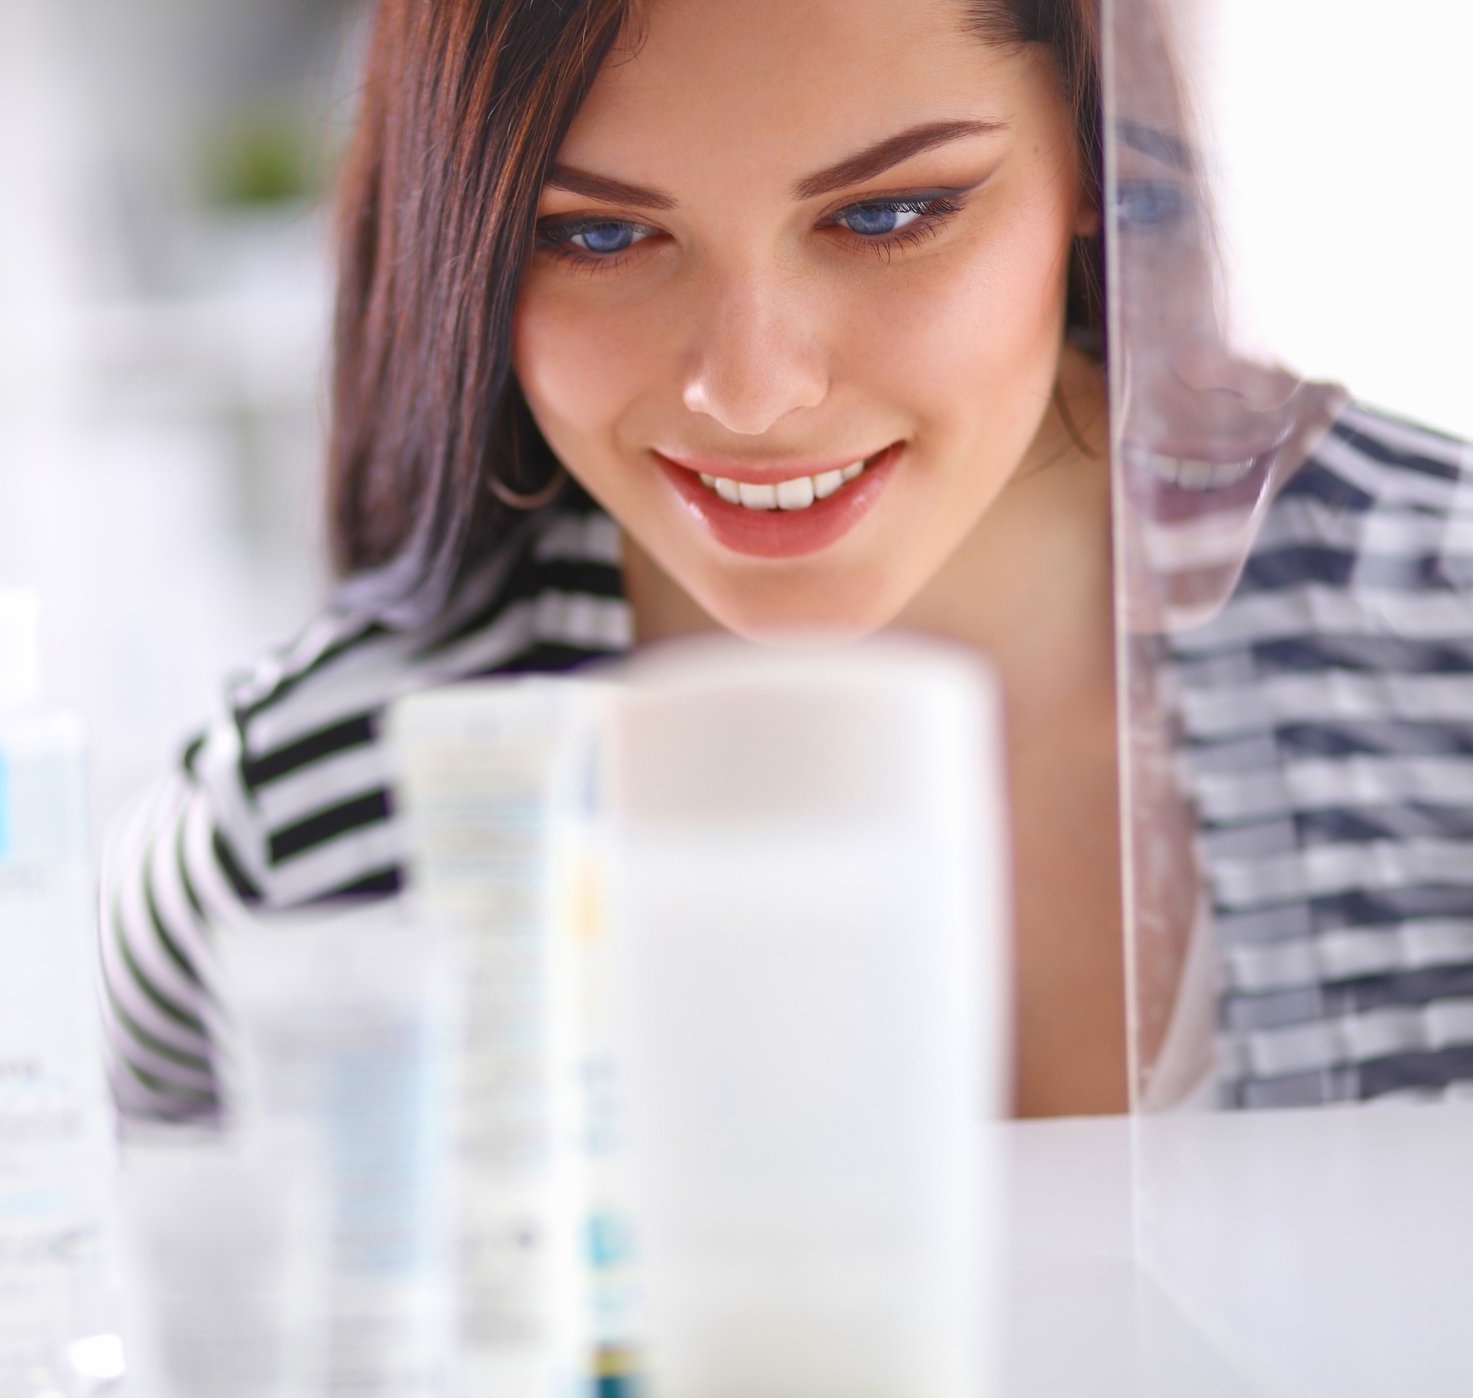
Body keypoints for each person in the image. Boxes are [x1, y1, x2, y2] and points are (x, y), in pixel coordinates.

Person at [99, 0, 1473, 1125]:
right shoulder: (309, 820)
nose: (747, 390)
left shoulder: (1445, 637)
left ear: (1094, 161)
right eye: (594, 233)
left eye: (885, 215)